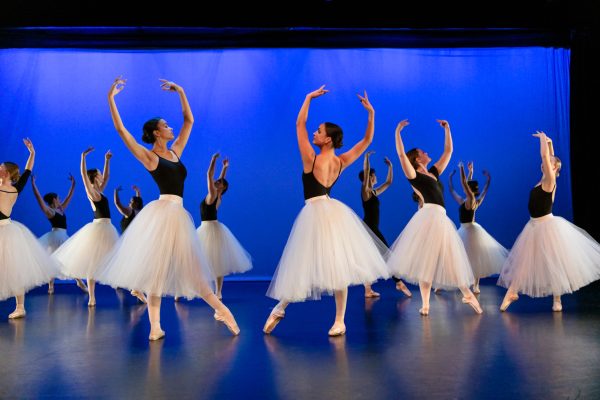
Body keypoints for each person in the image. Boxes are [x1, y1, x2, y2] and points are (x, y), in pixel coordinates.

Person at [97, 76, 239, 341]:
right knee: (156, 273)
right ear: (155, 133)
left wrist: (181, 91)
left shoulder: (175, 152)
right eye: (165, 125)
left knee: (194, 271)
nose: (170, 127)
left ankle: (222, 311)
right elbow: (122, 131)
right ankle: (155, 327)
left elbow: (189, 121)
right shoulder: (150, 157)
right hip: (162, 215)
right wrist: (110, 98)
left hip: (177, 215)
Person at [264, 86, 389, 337]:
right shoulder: (341, 161)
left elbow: (299, 124)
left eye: (318, 131)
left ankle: (282, 307)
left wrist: (308, 97)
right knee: (334, 265)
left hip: (316, 212)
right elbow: (367, 141)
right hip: (332, 212)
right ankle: (336, 320)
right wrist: (371, 114)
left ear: (327, 139)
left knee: (305, 262)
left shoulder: (311, 158)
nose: (314, 132)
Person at [387, 119, 482, 316]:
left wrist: (448, 129)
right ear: (417, 158)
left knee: (447, 257)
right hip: (428, 217)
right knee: (426, 262)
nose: (427, 153)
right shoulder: (413, 174)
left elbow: (448, 152)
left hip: (440, 217)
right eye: (423, 152)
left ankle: (466, 293)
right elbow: (400, 155)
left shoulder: (433, 173)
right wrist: (397, 132)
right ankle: (427, 304)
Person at [498, 131, 600, 312]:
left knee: (554, 263)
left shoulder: (550, 180)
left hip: (547, 227)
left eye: (551, 163)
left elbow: (545, 156)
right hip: (533, 226)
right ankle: (512, 292)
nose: (546, 162)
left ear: (554, 169)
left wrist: (544, 140)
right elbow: (549, 157)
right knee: (524, 263)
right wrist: (550, 144)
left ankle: (557, 299)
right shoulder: (543, 179)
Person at [52, 148, 119, 307]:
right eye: (99, 173)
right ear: (95, 177)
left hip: (107, 227)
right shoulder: (92, 193)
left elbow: (107, 176)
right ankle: (92, 297)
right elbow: (83, 175)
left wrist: (107, 160)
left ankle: (128, 286)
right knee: (92, 263)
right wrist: (83, 157)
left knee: (116, 256)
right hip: (98, 228)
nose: (102, 175)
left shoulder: (100, 191)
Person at [0, 139, 57, 319]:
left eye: (1, 167)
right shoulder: (14, 188)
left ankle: (20, 307)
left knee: (15, 270)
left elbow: (26, 172)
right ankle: (20, 306)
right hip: (7, 229)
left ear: (7, 172)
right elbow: (27, 171)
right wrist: (32, 153)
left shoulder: (9, 188)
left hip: (5, 231)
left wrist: (32, 153)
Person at [197, 153, 252, 302]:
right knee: (215, 262)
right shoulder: (218, 195)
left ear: (221, 188)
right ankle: (218, 292)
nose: (217, 181)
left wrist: (213, 160)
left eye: (220, 182)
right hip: (212, 229)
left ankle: (217, 292)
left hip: (209, 229)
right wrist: (224, 168)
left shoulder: (214, 194)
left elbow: (209, 174)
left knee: (208, 262)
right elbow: (220, 181)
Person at [448, 161, 508, 293]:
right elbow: (456, 189)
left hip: (469, 231)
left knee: (475, 258)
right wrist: (472, 173)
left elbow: (464, 184)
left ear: (469, 190)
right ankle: (472, 284)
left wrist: (462, 168)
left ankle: (475, 285)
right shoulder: (473, 200)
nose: (464, 189)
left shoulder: (469, 200)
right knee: (472, 258)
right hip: (467, 229)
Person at [358, 151, 411, 298]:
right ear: (369, 177)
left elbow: (388, 183)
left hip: (370, 227)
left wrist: (391, 167)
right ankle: (398, 282)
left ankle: (368, 290)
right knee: (386, 253)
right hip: (369, 227)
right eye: (374, 176)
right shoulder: (365, 191)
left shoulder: (373, 192)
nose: (376, 177)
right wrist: (366, 158)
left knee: (370, 257)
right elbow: (367, 172)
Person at [31, 173, 88, 294]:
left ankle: (78, 281)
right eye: (58, 198)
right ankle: (52, 285)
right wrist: (33, 184)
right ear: (54, 200)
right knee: (54, 260)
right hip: (55, 236)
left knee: (67, 259)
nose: (60, 199)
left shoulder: (60, 209)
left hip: (62, 235)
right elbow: (39, 199)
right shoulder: (50, 211)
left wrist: (73, 185)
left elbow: (68, 198)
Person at [113, 184, 147, 303]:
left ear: (135, 204)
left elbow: (117, 204)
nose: (129, 202)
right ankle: (132, 285)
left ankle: (132, 286)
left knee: (126, 263)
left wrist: (116, 192)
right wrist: (138, 193)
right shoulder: (140, 212)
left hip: (128, 242)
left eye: (131, 201)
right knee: (134, 264)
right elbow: (139, 202)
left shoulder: (129, 212)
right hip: (137, 241)